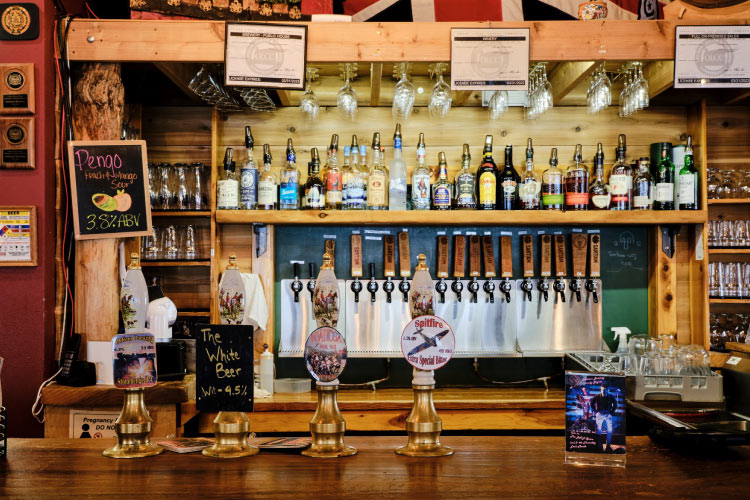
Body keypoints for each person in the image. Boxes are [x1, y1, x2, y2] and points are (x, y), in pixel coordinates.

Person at [591, 384, 617, 452]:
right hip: (600, 415)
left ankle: (608, 446)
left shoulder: (611, 396)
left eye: (604, 390)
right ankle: (598, 446)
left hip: (608, 415)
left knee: (609, 431)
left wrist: (611, 412)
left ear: (607, 390)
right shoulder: (597, 396)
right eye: (602, 390)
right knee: (598, 430)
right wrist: (596, 412)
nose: (603, 391)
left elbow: (615, 404)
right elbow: (591, 404)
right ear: (600, 389)